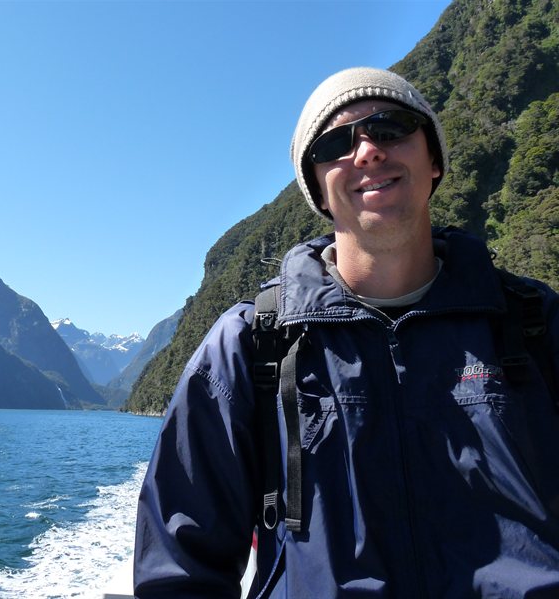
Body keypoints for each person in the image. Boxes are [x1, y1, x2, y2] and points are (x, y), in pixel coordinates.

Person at [133, 67, 559, 598]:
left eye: (390, 128)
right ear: (318, 189)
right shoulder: (250, 346)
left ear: (433, 159)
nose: (368, 152)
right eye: (335, 144)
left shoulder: (534, 323)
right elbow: (180, 572)